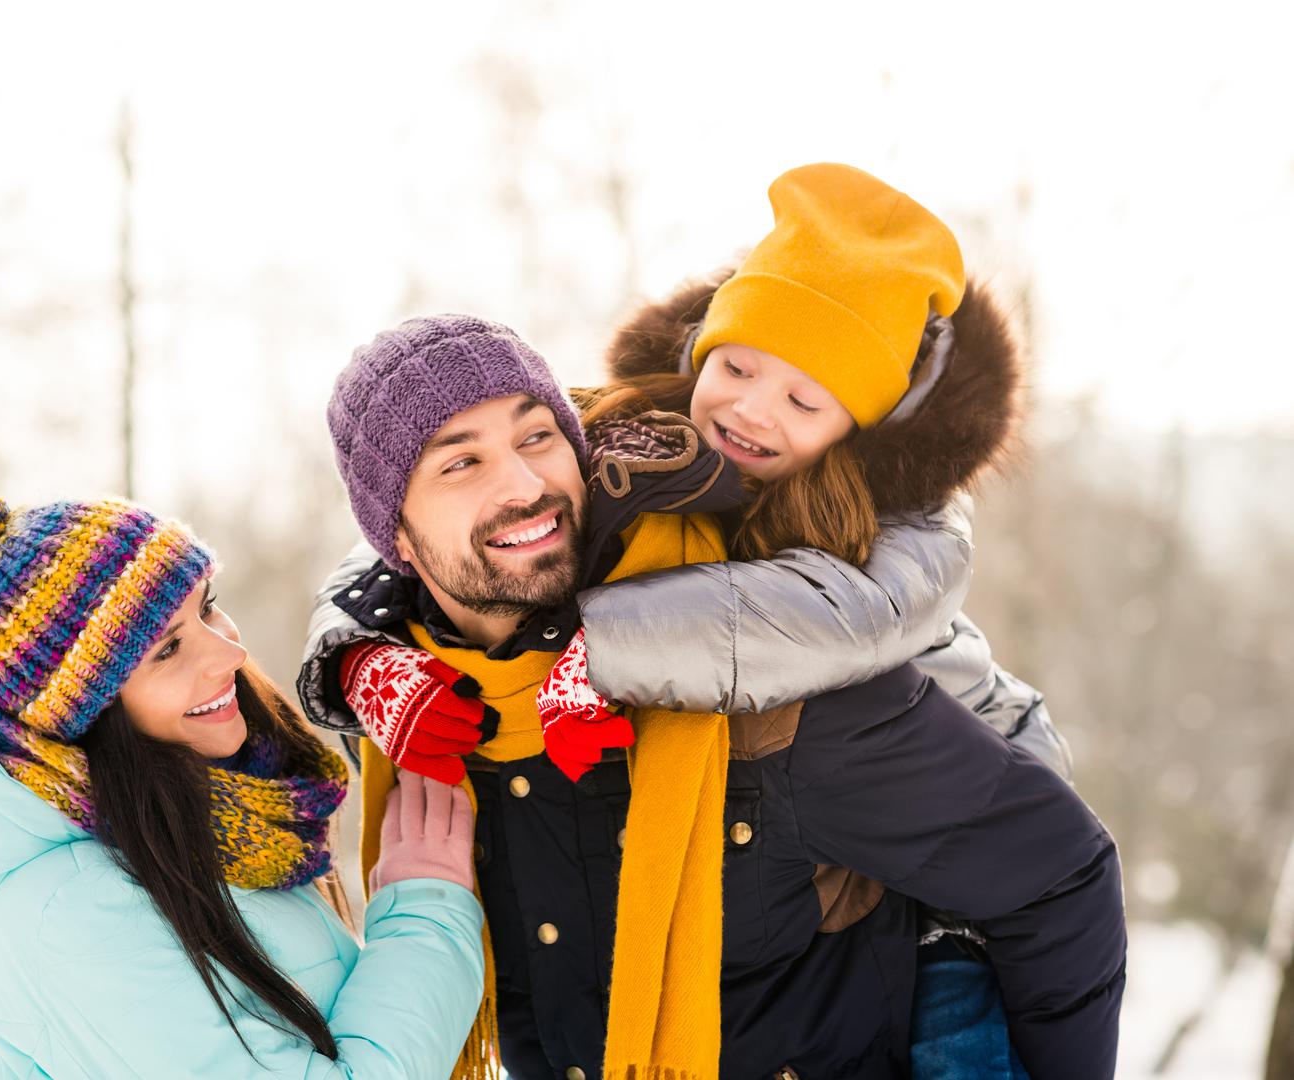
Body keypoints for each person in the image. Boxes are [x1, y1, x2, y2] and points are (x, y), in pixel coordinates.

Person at [299, 167, 1123, 1080]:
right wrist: (355, 655)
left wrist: (602, 652)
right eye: (735, 369)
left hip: (968, 765)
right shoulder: (454, 690)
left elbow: (1053, 866)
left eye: (536, 439)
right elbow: (399, 566)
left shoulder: (864, 566)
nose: (751, 411)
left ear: (857, 427)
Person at [0, 483, 485, 1079]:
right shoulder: (72, 920)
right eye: (167, 650)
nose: (228, 653)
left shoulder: (212, 829)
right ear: (84, 716)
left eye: (207, 607)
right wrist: (424, 916)